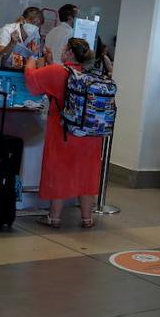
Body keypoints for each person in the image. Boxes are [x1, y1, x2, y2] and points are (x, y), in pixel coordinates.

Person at [23, 39, 105, 228]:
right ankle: (87, 218)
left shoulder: (57, 72)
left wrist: (31, 59)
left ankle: (54, 217)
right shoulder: (90, 75)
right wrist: (50, 60)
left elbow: (32, 81)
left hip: (64, 133)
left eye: (64, 48)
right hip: (91, 136)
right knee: (86, 173)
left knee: (59, 171)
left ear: (69, 52)